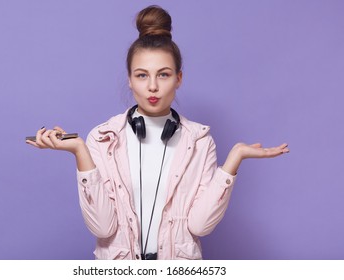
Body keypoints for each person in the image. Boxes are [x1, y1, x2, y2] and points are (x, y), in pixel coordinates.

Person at [26, 5, 289, 260]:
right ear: (129, 79)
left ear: (179, 78)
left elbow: (200, 226)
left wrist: (234, 160)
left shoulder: (198, 141)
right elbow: (103, 228)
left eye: (163, 75)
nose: (152, 86)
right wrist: (80, 152)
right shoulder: (103, 138)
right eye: (142, 76)